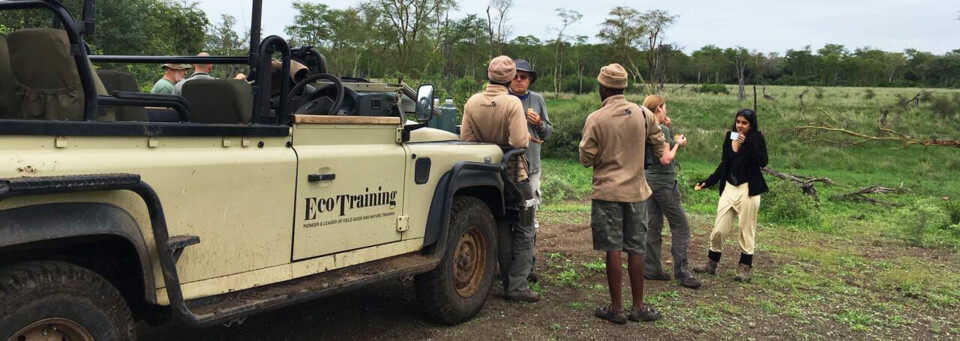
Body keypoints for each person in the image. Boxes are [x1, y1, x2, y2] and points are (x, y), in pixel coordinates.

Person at [579, 63, 665, 324]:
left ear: (603, 87)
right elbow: (659, 143)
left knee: (613, 249)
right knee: (636, 248)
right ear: (624, 87)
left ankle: (616, 309)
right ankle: (638, 307)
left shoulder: (596, 118)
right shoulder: (642, 113)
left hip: (607, 192)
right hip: (637, 192)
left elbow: (585, 157)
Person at [460, 55, 539, 303]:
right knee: (525, 226)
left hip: (486, 174)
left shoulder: (472, 102)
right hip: (515, 172)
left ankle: (505, 279)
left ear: (489, 74)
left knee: (502, 225)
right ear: (510, 77)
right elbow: (518, 142)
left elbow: (466, 139)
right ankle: (517, 285)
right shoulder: (512, 103)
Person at [693, 108, 768, 282]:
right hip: (729, 187)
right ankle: (711, 263)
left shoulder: (756, 138)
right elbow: (724, 163)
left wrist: (747, 143)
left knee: (746, 229)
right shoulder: (730, 137)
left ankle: (744, 267)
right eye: (738, 122)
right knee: (719, 228)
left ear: (751, 125)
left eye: (744, 123)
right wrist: (709, 181)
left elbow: (763, 162)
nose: (740, 126)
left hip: (748, 189)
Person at [641, 95, 702, 289]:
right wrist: (678, 144)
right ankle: (682, 272)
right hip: (664, 183)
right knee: (681, 227)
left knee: (653, 224)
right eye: (664, 107)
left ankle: (651, 268)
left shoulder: (645, 126)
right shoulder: (662, 129)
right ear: (658, 108)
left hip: (648, 181)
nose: (666, 111)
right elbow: (666, 159)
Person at [509, 59, 552, 283]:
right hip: (505, 167)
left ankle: (528, 263)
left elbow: (548, 132)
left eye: (523, 76)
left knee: (529, 217)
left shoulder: (537, 100)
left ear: (529, 80)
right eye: (515, 75)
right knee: (507, 216)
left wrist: (540, 124)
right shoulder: (503, 99)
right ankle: (506, 264)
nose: (519, 79)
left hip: (531, 168)